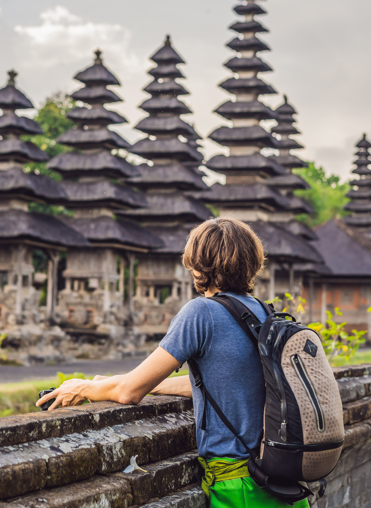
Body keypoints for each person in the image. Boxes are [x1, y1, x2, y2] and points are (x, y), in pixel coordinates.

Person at [37, 217, 309, 507]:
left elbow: (129, 393)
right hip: (280, 482)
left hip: (241, 486)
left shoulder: (201, 313)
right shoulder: (263, 312)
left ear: (198, 264)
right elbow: (222, 382)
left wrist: (81, 388)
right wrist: (126, 382)